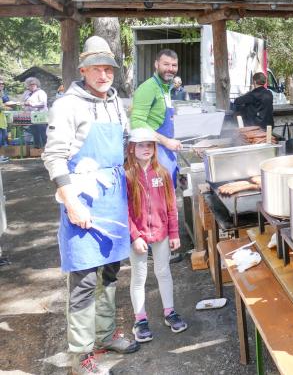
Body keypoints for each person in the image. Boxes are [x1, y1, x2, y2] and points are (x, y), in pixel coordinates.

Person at [42, 36, 139, 375]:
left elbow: (125, 146)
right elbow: (53, 156)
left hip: (113, 199)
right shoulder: (67, 105)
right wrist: (71, 203)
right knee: (84, 279)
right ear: (82, 69)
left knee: (111, 271)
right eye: (96, 68)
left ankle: (105, 334)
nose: (103, 74)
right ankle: (81, 355)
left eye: (108, 68)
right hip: (82, 197)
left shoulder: (115, 102)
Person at [125, 127, 187, 342]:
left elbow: (171, 206)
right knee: (139, 276)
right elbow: (123, 211)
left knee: (164, 271)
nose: (146, 149)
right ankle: (140, 319)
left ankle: (170, 312)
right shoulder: (126, 174)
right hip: (138, 237)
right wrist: (134, 236)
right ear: (131, 148)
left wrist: (174, 233)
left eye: (149, 145)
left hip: (161, 232)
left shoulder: (161, 173)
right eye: (140, 145)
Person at [130, 49, 182, 185]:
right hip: (153, 154)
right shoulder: (148, 88)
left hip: (166, 151)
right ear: (156, 64)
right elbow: (136, 122)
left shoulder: (166, 88)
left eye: (174, 65)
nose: (170, 69)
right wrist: (166, 141)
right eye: (166, 64)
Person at [22, 76, 48, 148]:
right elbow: (23, 102)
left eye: (34, 84)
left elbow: (43, 104)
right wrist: (24, 105)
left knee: (43, 133)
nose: (32, 86)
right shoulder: (26, 93)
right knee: (34, 133)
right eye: (30, 84)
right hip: (31, 116)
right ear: (28, 85)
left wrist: (32, 104)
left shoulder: (41, 92)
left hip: (41, 116)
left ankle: (46, 148)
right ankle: (36, 149)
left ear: (37, 84)